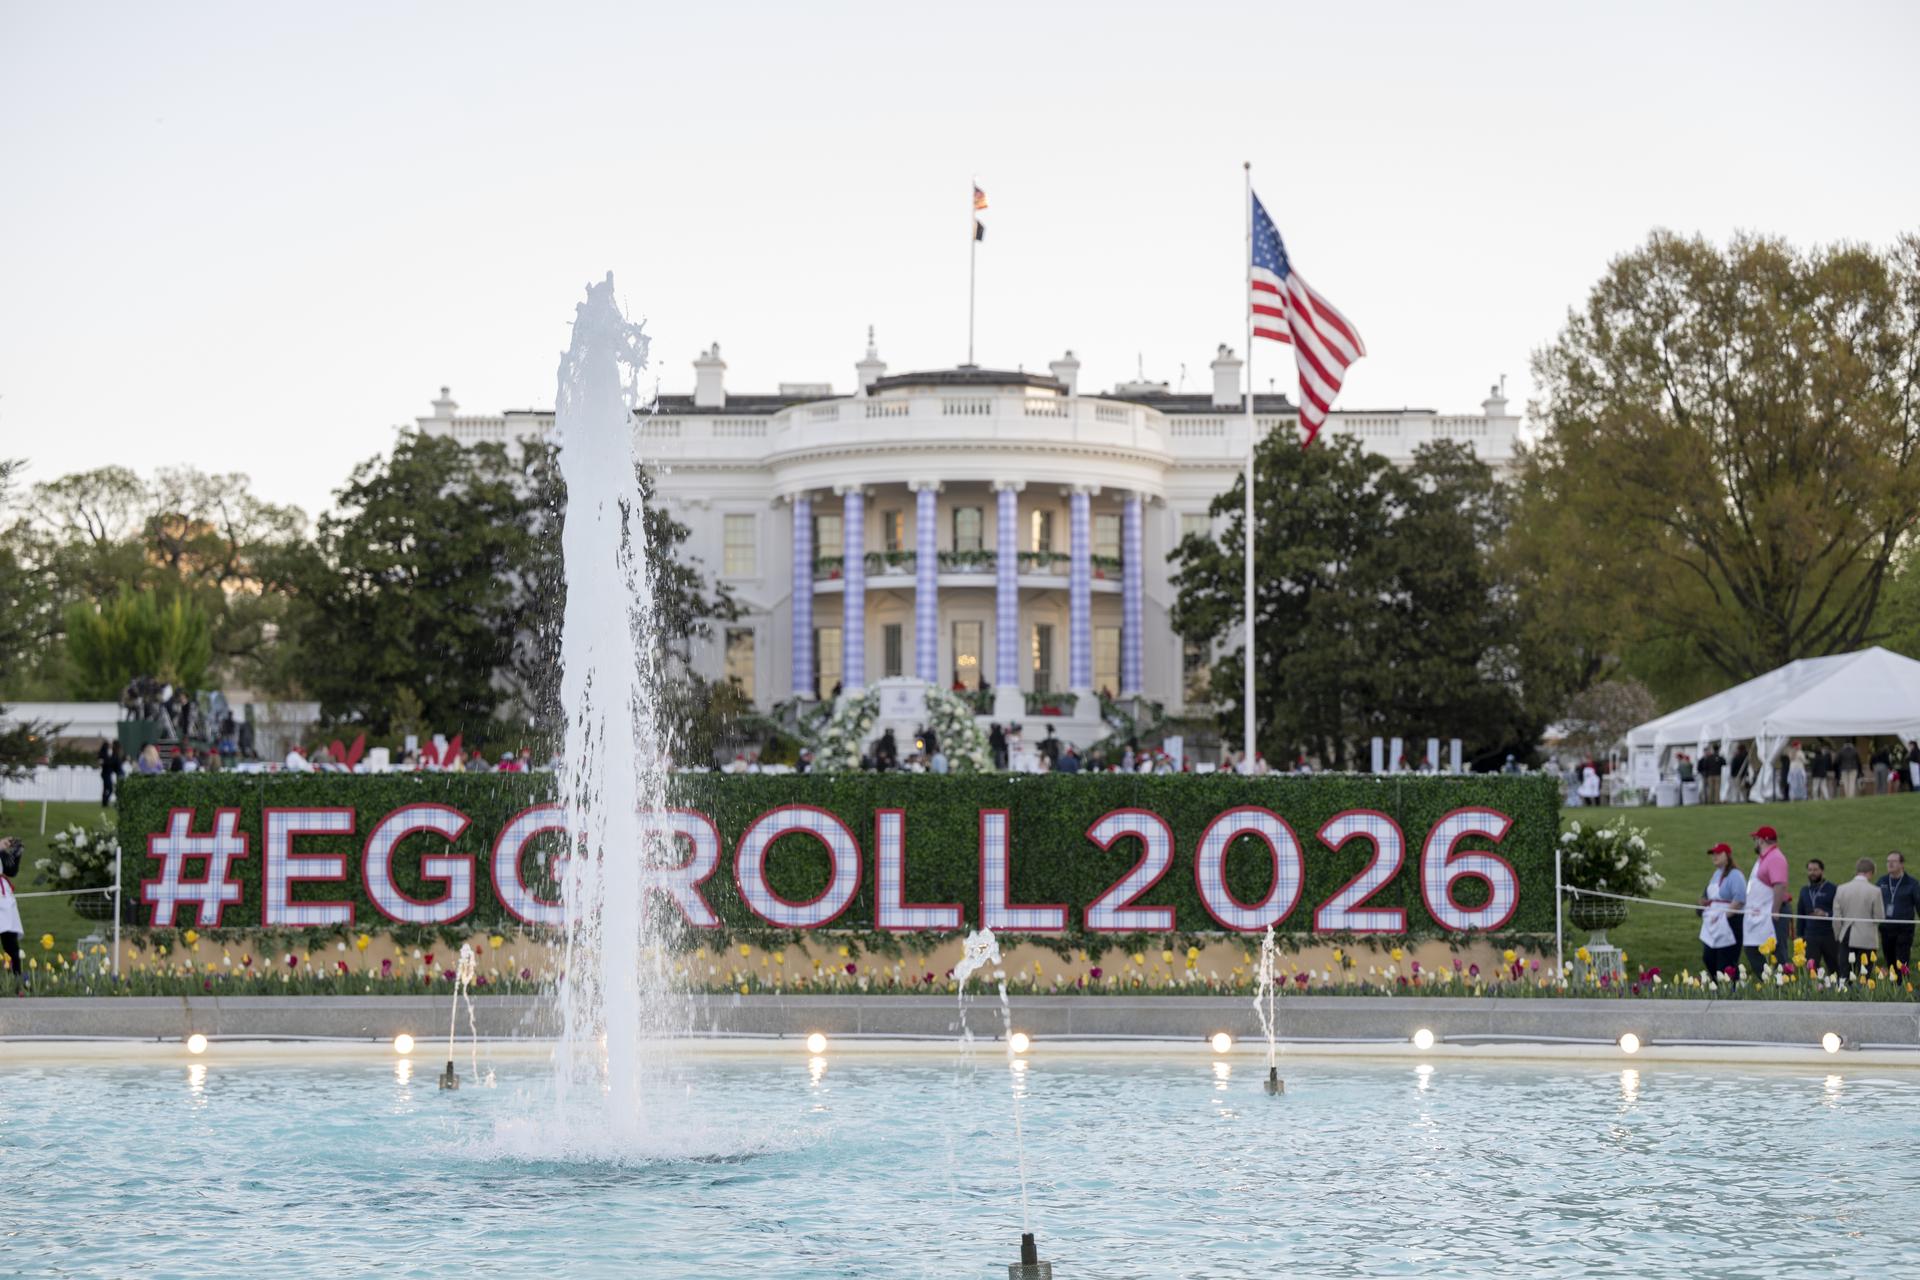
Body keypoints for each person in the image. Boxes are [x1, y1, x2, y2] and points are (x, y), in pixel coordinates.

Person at [1744, 825, 1790, 974]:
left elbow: (1779, 885)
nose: (1754, 842)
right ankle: (1768, 983)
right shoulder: (1764, 858)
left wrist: (1775, 910)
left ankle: (1781, 986)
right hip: (1760, 913)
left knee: (1778, 952)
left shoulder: (1775, 857)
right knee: (1752, 949)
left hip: (1772, 913)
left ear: (1762, 840)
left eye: (1755, 839)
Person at [1698, 843, 1745, 977]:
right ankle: (1717, 987)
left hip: (1729, 924)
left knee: (1726, 963)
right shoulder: (1715, 874)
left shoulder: (1735, 875)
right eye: (1713, 854)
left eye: (1718, 853)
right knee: (1708, 957)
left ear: (1727, 856)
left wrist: (1724, 916)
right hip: (1713, 924)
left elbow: (1740, 899)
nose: (1715, 856)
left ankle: (1730, 992)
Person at [1834, 857, 1885, 974]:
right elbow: (1879, 917)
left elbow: (1836, 918)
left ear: (1857, 870)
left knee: (1845, 975)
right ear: (1871, 872)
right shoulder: (1875, 891)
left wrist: (1838, 936)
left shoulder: (1841, 889)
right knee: (1864, 976)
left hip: (1846, 935)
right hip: (1867, 938)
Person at [1876, 850, 1918, 972]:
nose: (1890, 864)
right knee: (1890, 962)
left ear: (1901, 864)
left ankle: (1903, 987)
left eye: (1894, 861)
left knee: (1902, 962)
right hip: (1886, 929)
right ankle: (1893, 989)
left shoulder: (1912, 883)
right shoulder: (1882, 881)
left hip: (1904, 929)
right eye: (1888, 861)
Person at [1796, 859, 1839, 975]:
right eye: (1810, 870)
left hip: (1829, 935)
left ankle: (1838, 990)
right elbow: (1800, 915)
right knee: (1811, 969)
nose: (1812, 873)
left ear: (1822, 871)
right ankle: (1814, 991)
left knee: (1835, 967)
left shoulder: (1832, 888)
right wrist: (1799, 936)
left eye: (1815, 870)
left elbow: (1839, 912)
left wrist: (1825, 914)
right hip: (1810, 936)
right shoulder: (1804, 891)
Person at [0, 836, 25, 991]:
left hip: (3, 898)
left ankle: (16, 984)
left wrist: (15, 855)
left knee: (11, 944)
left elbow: (10, 870)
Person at [97, 739, 123, 809]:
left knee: (106, 788)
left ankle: (104, 802)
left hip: (107, 773)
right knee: (110, 788)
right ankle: (105, 801)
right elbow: (107, 762)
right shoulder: (105, 754)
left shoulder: (110, 753)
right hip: (106, 773)